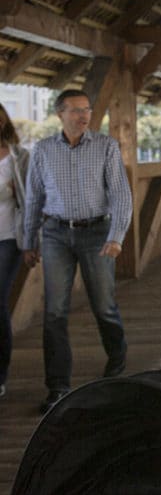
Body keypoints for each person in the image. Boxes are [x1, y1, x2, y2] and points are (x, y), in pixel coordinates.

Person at [22, 89, 133, 414]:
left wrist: (117, 236)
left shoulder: (105, 146)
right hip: (55, 232)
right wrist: (28, 241)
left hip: (97, 232)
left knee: (104, 305)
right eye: (76, 110)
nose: (83, 116)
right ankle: (57, 386)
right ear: (60, 114)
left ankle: (117, 358)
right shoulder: (42, 150)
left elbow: (121, 195)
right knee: (54, 312)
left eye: (87, 110)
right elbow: (33, 199)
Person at [0, 103, 30, 400]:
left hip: (7, 239)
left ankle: (1, 374)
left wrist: (31, 241)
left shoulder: (18, 156)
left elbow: (31, 198)